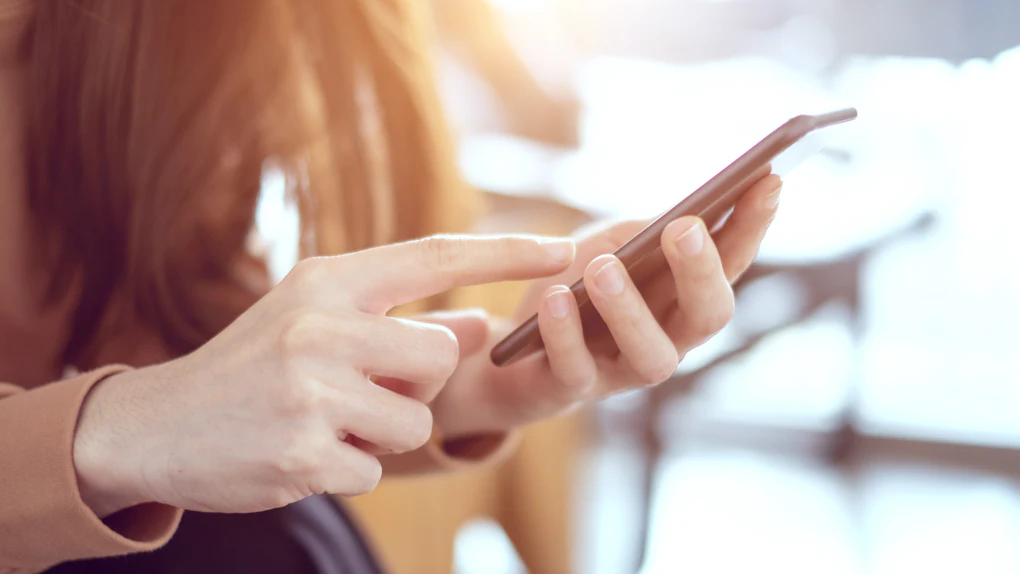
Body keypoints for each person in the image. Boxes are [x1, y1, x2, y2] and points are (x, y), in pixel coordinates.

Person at [0, 1, 783, 572]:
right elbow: (168, 408)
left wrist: (471, 387)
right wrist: (116, 435)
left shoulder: (180, 34)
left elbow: (184, 356)